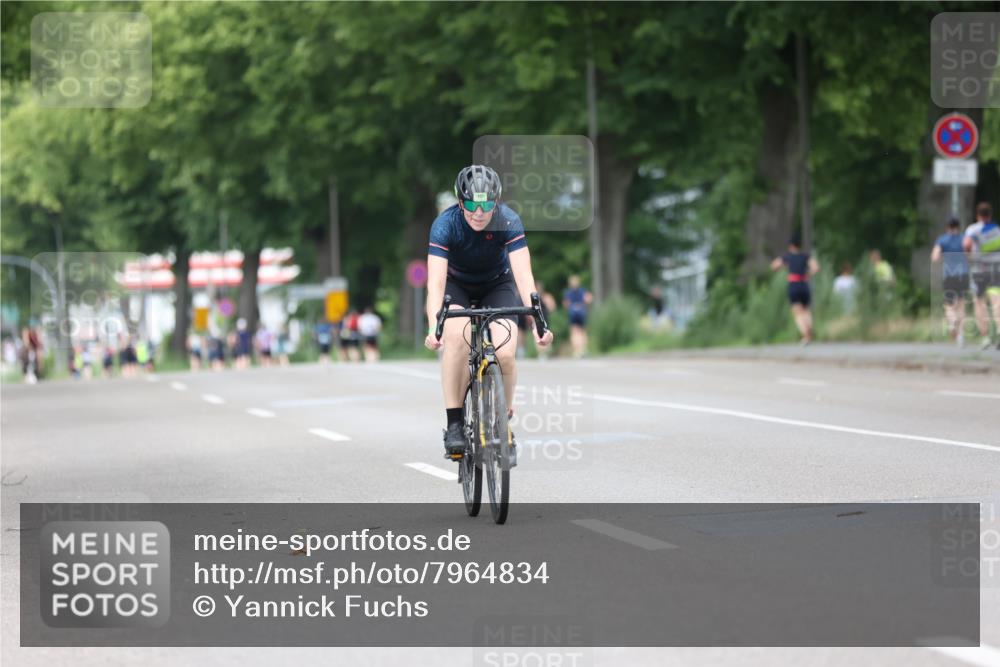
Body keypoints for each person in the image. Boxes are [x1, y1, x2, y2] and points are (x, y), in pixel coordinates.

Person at [424, 164, 553, 460]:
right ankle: (454, 424)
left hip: (497, 284)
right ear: (460, 202)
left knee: (506, 353)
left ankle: (502, 422)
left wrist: (538, 322)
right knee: (457, 340)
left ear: (496, 202)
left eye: (485, 204)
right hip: (456, 287)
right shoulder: (445, 225)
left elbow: (524, 277)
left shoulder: (507, 221)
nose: (478, 212)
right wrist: (435, 327)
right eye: (471, 204)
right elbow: (436, 282)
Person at [770, 234, 820, 345]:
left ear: (791, 245)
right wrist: (808, 274)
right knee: (806, 310)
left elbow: (774, 266)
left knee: (797, 312)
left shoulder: (787, 256)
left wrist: (784, 266)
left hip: (794, 284)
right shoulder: (805, 256)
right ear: (800, 245)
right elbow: (816, 268)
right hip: (804, 284)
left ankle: (806, 335)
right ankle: (809, 332)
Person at [964, 201, 1000, 350]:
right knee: (996, 300)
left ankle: (985, 337)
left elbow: (966, 244)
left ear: (978, 215)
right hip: (996, 268)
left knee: (979, 302)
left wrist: (969, 257)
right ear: (989, 215)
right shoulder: (996, 229)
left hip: (980, 269)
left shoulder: (973, 229)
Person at [932, 217, 970, 347]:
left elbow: (935, 257)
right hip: (963, 274)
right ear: (959, 227)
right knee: (961, 306)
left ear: (947, 226)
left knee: (949, 306)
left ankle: (952, 323)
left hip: (949, 276)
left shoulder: (942, 240)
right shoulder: (964, 238)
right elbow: (969, 253)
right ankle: (961, 336)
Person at [563, 275, 592, 358]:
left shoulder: (568, 293)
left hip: (573, 314)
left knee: (574, 332)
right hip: (582, 312)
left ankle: (577, 351)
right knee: (583, 332)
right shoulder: (582, 291)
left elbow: (566, 304)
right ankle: (583, 349)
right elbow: (588, 299)